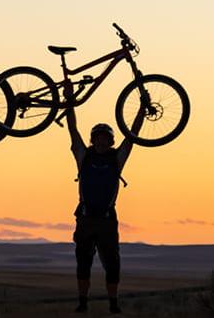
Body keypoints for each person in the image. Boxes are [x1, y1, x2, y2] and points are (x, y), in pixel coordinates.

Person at [63, 82, 145, 314]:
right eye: (97, 138)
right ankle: (82, 302)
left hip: (108, 221)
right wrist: (69, 101)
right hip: (86, 219)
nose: (100, 142)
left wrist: (141, 110)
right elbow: (72, 130)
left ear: (110, 141)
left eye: (105, 139)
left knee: (113, 264)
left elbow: (132, 136)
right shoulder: (83, 156)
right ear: (92, 140)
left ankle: (113, 303)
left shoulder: (116, 158)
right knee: (83, 263)